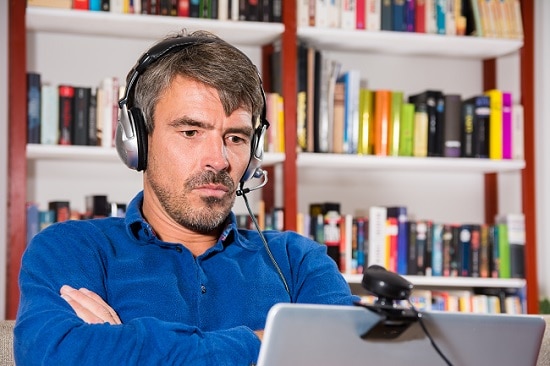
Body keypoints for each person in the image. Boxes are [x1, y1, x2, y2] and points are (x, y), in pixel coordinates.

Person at [14, 30, 357, 365]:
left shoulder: (298, 262)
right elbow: (55, 354)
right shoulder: (70, 250)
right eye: (191, 131)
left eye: (236, 137)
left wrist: (123, 344)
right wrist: (266, 344)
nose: (219, 160)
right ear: (138, 142)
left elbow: (347, 355)